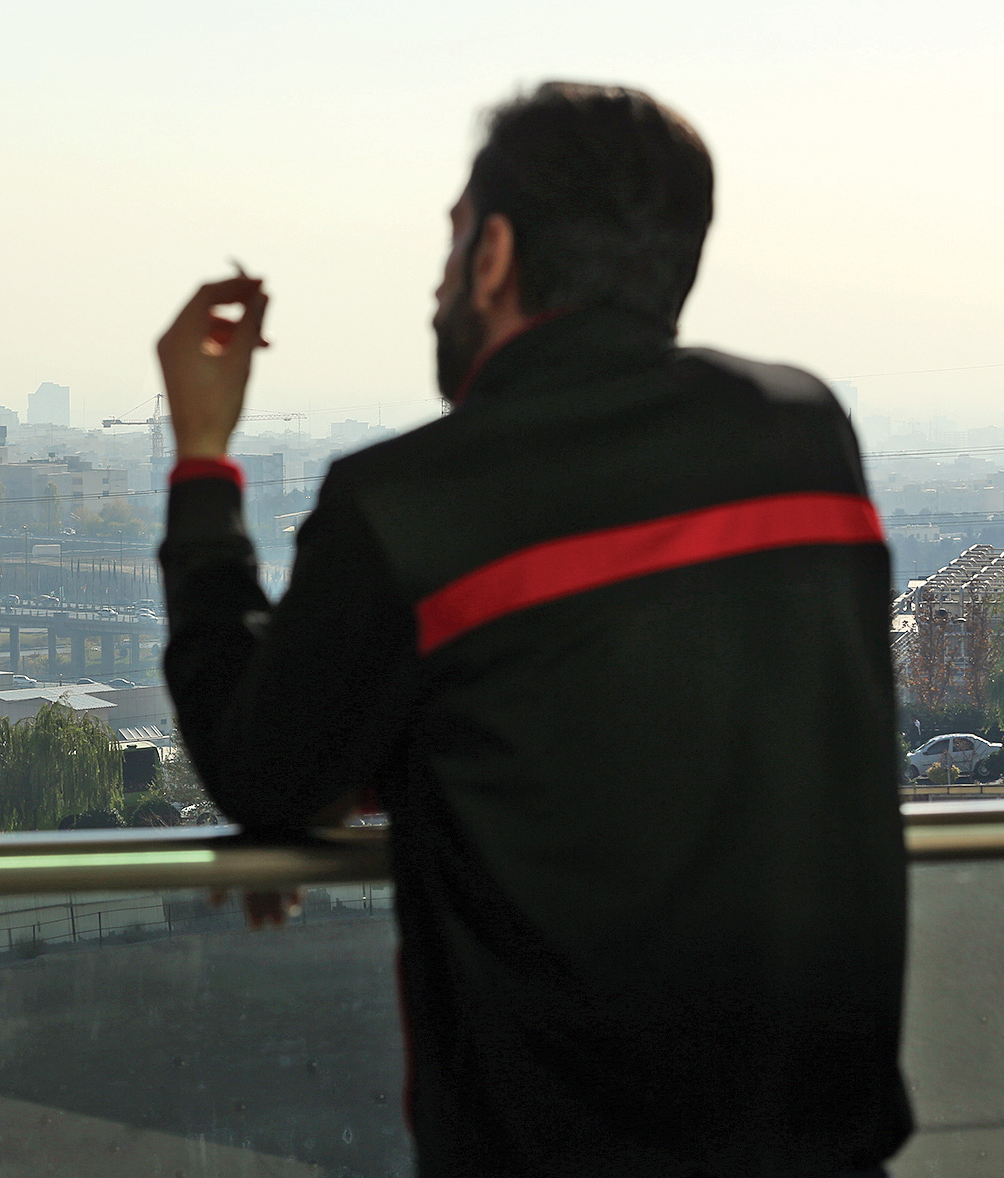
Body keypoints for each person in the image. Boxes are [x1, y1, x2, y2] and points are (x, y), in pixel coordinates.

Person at [155, 83, 909, 1177]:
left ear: (495, 254)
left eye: (453, 238)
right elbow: (631, 701)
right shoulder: (803, 434)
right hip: (827, 1148)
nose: (437, 281)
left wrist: (201, 460)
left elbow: (258, 768)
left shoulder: (409, 506)